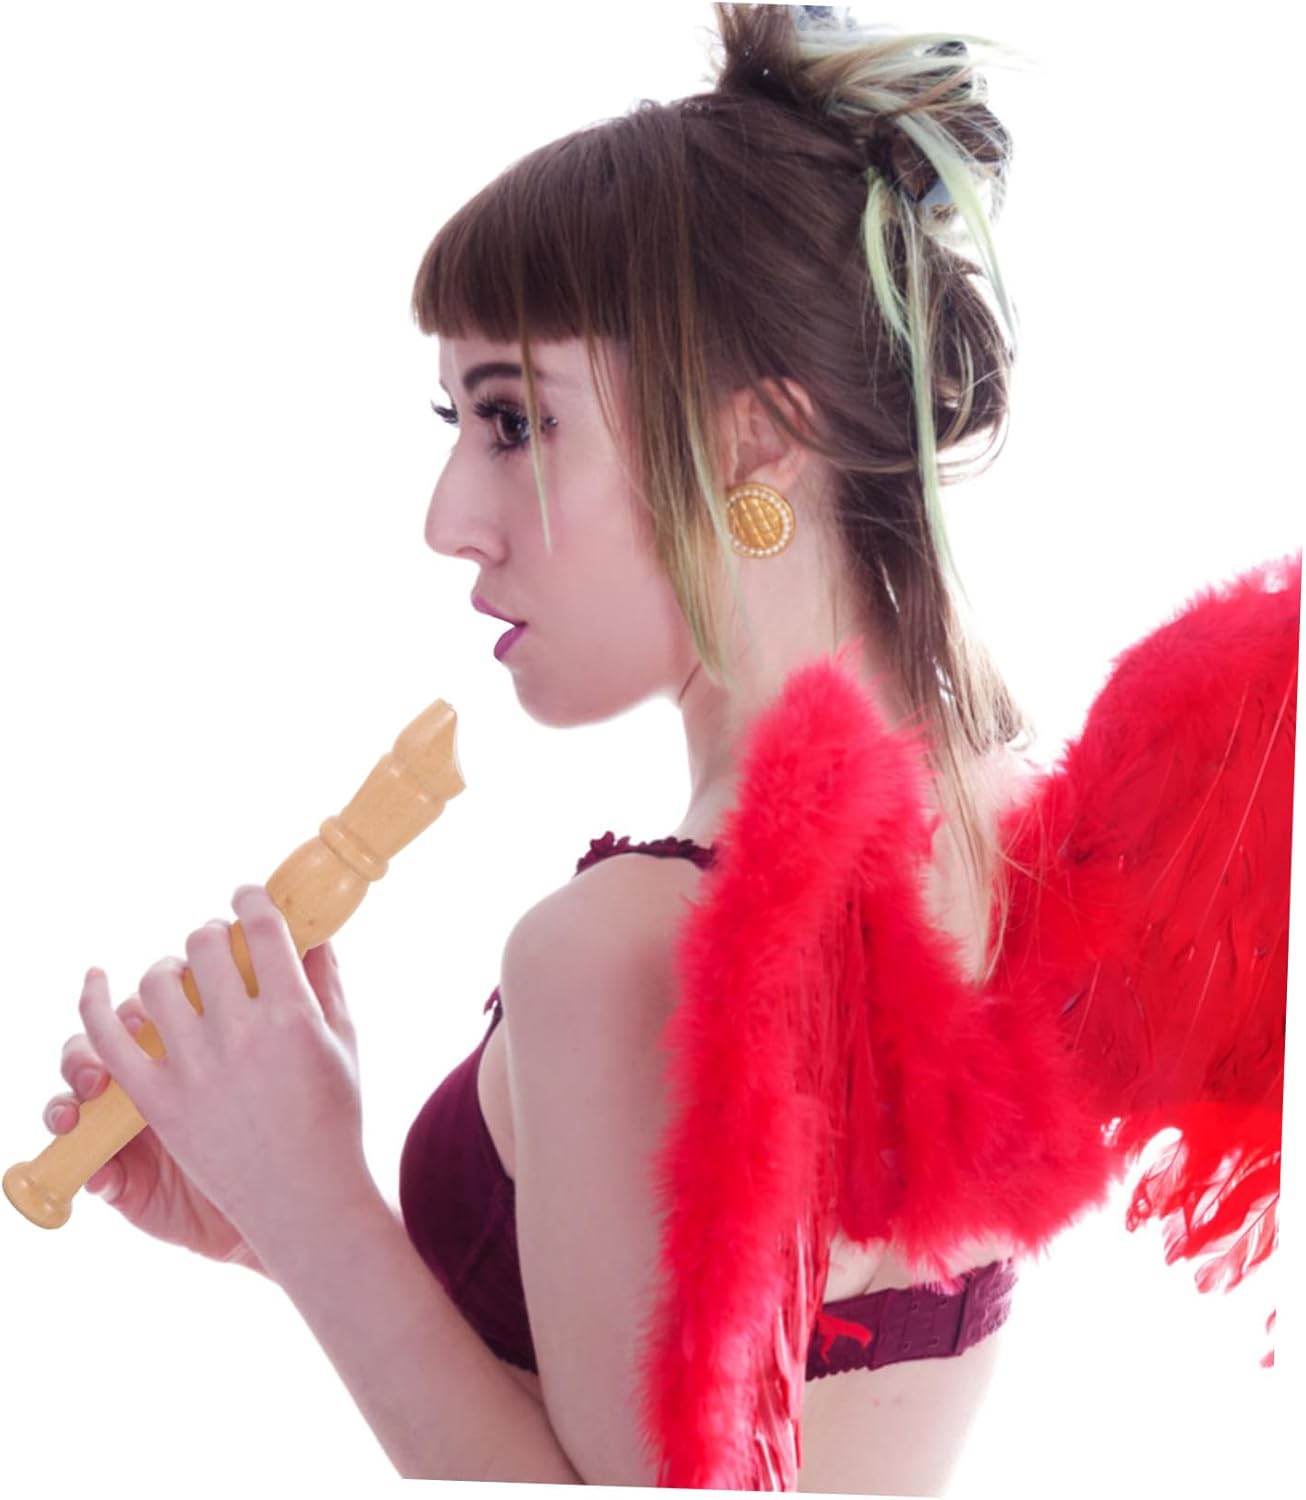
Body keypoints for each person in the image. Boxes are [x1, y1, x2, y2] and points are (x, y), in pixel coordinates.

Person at [35, 5, 1291, 1493]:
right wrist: (276, 1209)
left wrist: (316, 1202)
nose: (448, 518)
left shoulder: (624, 950)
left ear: (753, 440)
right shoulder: (1025, 847)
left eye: (514, 422)